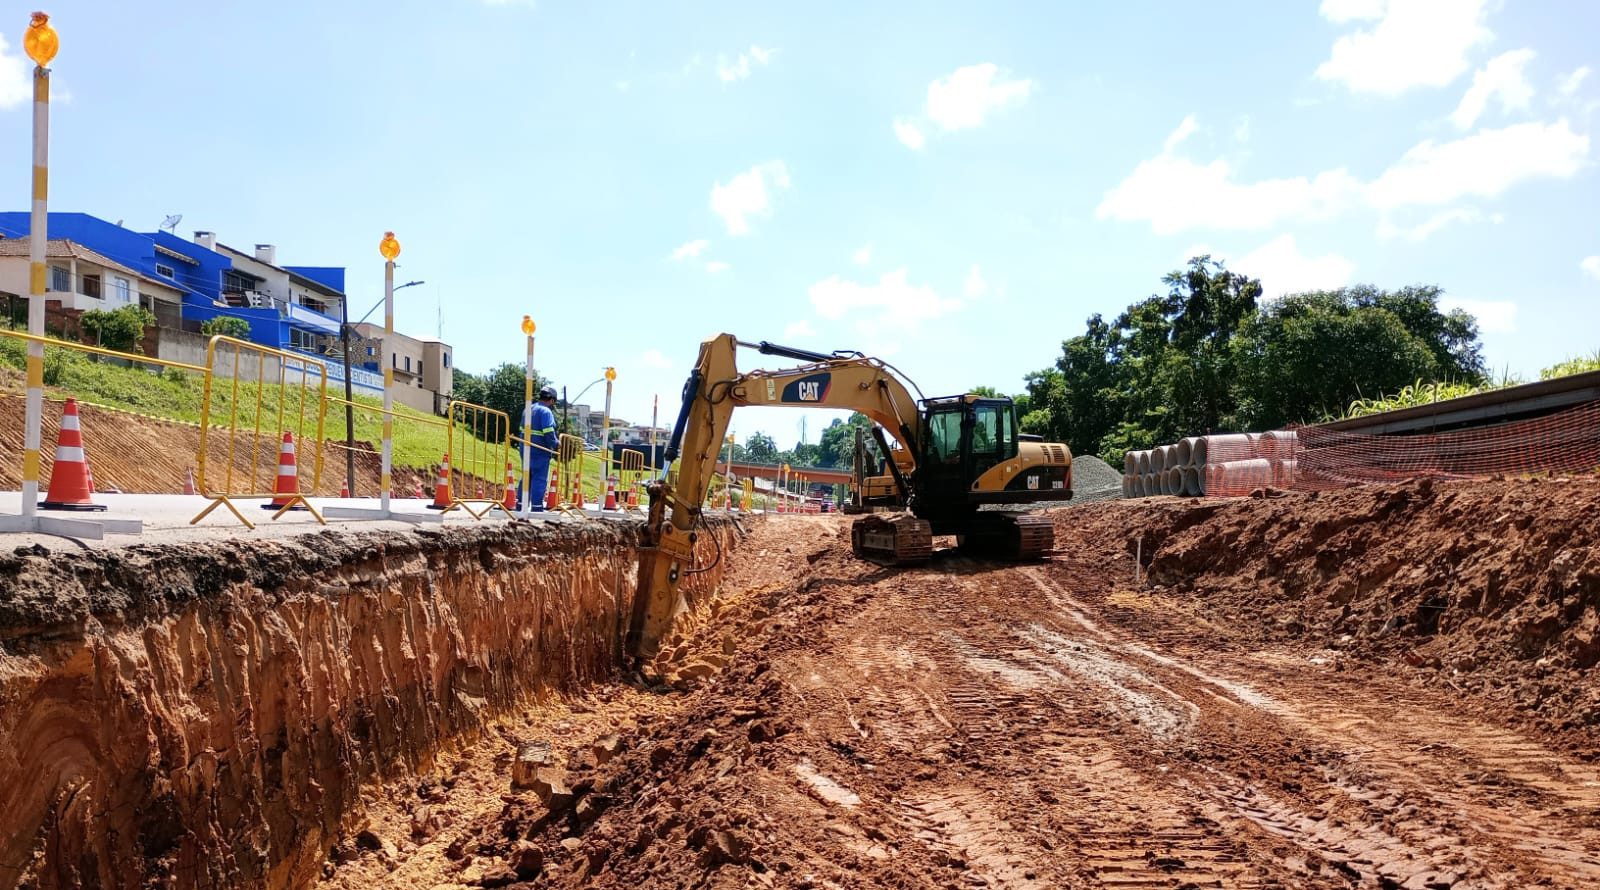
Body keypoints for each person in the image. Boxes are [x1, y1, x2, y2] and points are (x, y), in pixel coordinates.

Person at [522, 386, 560, 510]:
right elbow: (548, 431)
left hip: (525, 448)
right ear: (552, 400)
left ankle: (521, 505)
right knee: (539, 478)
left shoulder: (528, 409)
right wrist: (556, 444)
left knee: (527, 476)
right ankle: (537, 507)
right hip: (540, 450)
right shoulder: (546, 412)